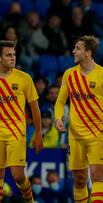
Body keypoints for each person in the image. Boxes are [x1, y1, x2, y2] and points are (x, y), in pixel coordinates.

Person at [54, 35, 103, 203]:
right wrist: (58, 118)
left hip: (97, 135)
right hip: (75, 135)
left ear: (88, 53)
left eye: (77, 48)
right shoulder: (69, 74)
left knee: (97, 176)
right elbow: (60, 101)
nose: (73, 51)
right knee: (79, 179)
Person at [0, 40, 43, 202]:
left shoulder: (24, 78)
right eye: (8, 55)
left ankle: (29, 200)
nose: (13, 58)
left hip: (16, 133)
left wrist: (38, 134)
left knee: (18, 175)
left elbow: (35, 108)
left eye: (14, 55)